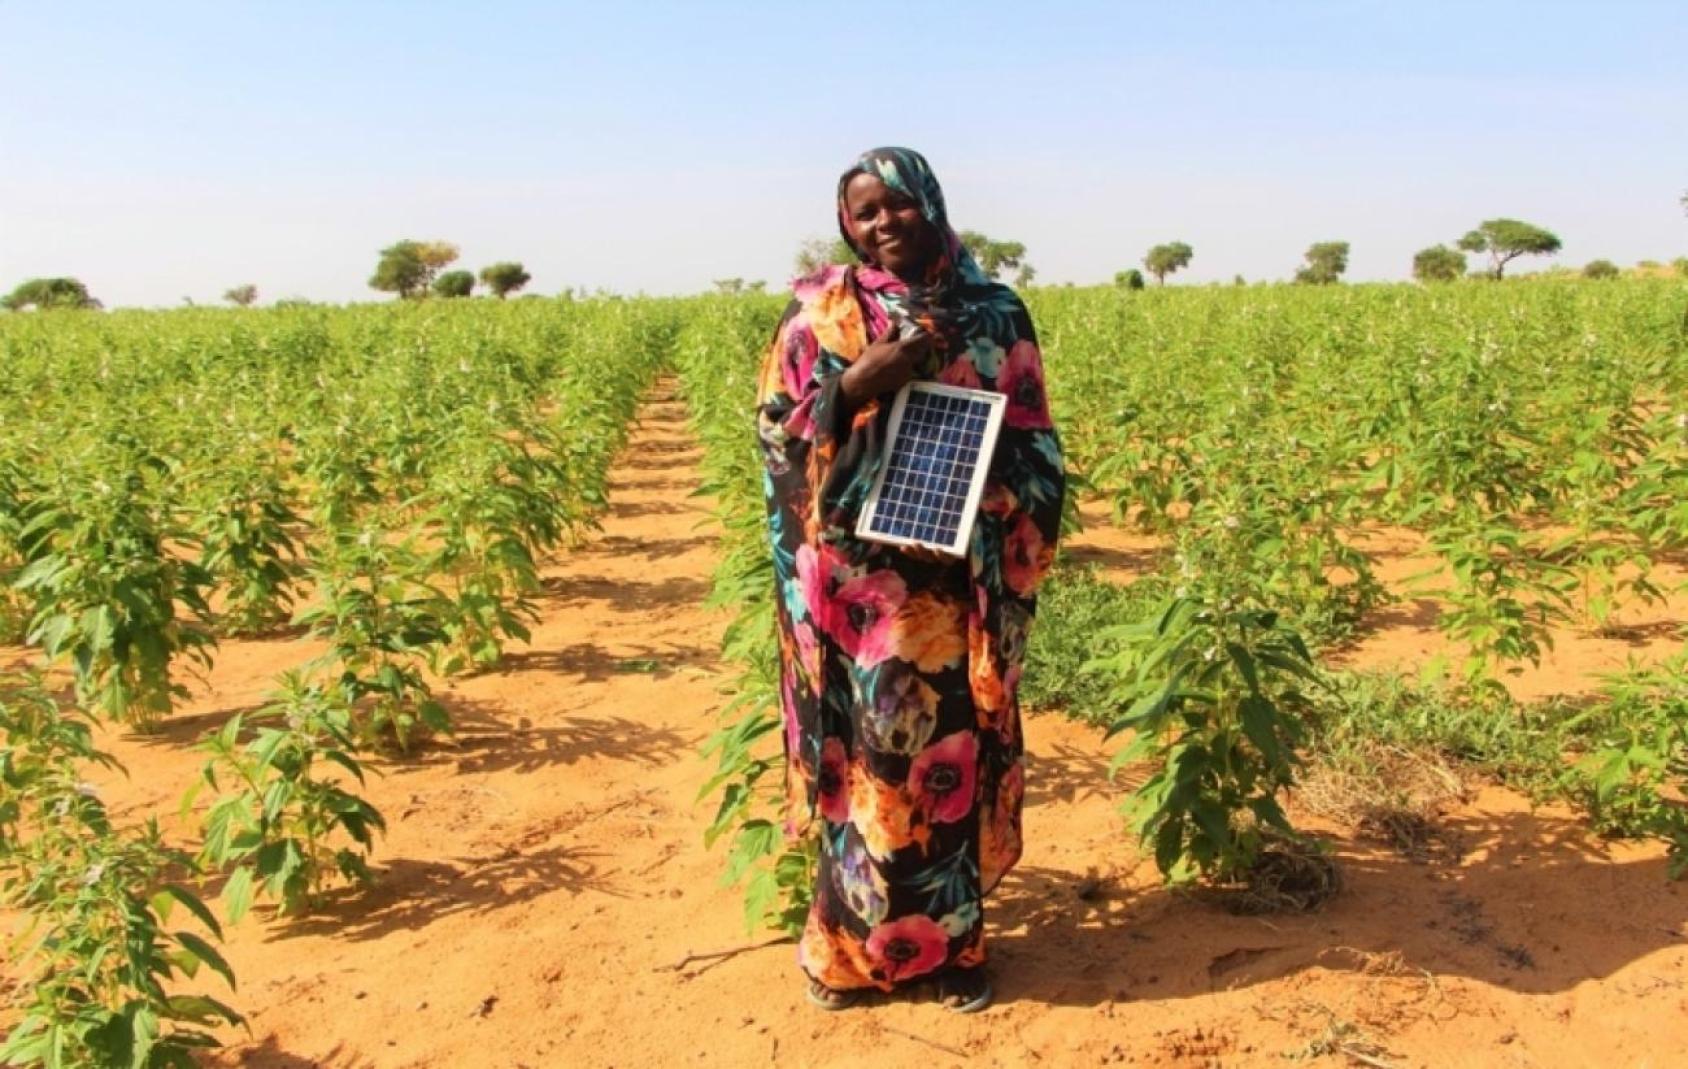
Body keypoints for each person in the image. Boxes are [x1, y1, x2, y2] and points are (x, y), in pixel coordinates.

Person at [755, 147, 1064, 1013]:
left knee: (943, 759)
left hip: (952, 589)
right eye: (865, 211)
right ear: (846, 222)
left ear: (931, 205)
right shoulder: (822, 314)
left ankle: (954, 947)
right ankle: (843, 954)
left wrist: (986, 509)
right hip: (857, 592)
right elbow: (778, 434)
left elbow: (1037, 444)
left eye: (898, 204)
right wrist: (859, 379)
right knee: (865, 769)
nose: (884, 222)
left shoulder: (994, 313)